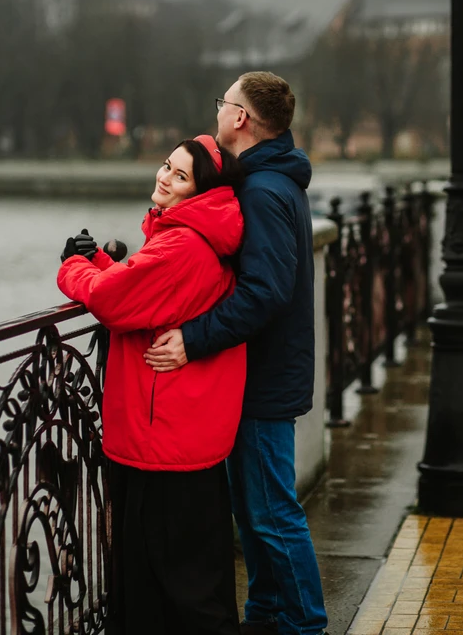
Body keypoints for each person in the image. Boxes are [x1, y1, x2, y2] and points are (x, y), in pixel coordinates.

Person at [144, 73, 328, 635]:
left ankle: (304, 624)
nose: (220, 111)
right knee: (255, 510)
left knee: (272, 513)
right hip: (266, 372)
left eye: (224, 103)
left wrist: (194, 338)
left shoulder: (265, 192)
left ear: (241, 118)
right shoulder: (274, 182)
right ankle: (268, 612)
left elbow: (265, 291)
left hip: (265, 379)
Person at [57, 135, 246, 635]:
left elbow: (112, 301)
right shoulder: (198, 237)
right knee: (193, 580)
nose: (164, 176)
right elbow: (150, 296)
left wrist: (74, 267)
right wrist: (102, 261)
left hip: (160, 439)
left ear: (200, 193)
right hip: (184, 436)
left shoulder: (182, 243)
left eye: (180, 175)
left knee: (170, 591)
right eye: (167, 165)